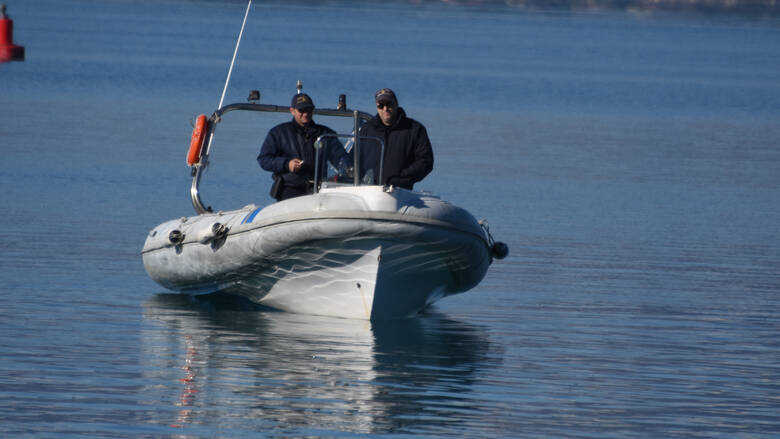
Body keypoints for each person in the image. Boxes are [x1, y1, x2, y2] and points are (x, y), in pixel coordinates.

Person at [258, 93, 348, 201]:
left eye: (309, 110)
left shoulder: (326, 134)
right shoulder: (278, 133)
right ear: (292, 111)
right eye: (301, 110)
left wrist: (348, 168)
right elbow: (264, 159)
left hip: (319, 190)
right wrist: (287, 164)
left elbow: (339, 157)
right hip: (290, 190)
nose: (305, 114)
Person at [356, 88, 433, 189]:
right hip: (369, 191)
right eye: (381, 105)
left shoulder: (415, 129)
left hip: (400, 193)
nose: (385, 108)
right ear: (376, 107)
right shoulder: (367, 129)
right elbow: (356, 158)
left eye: (389, 104)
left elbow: (425, 161)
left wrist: (400, 178)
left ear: (396, 104)